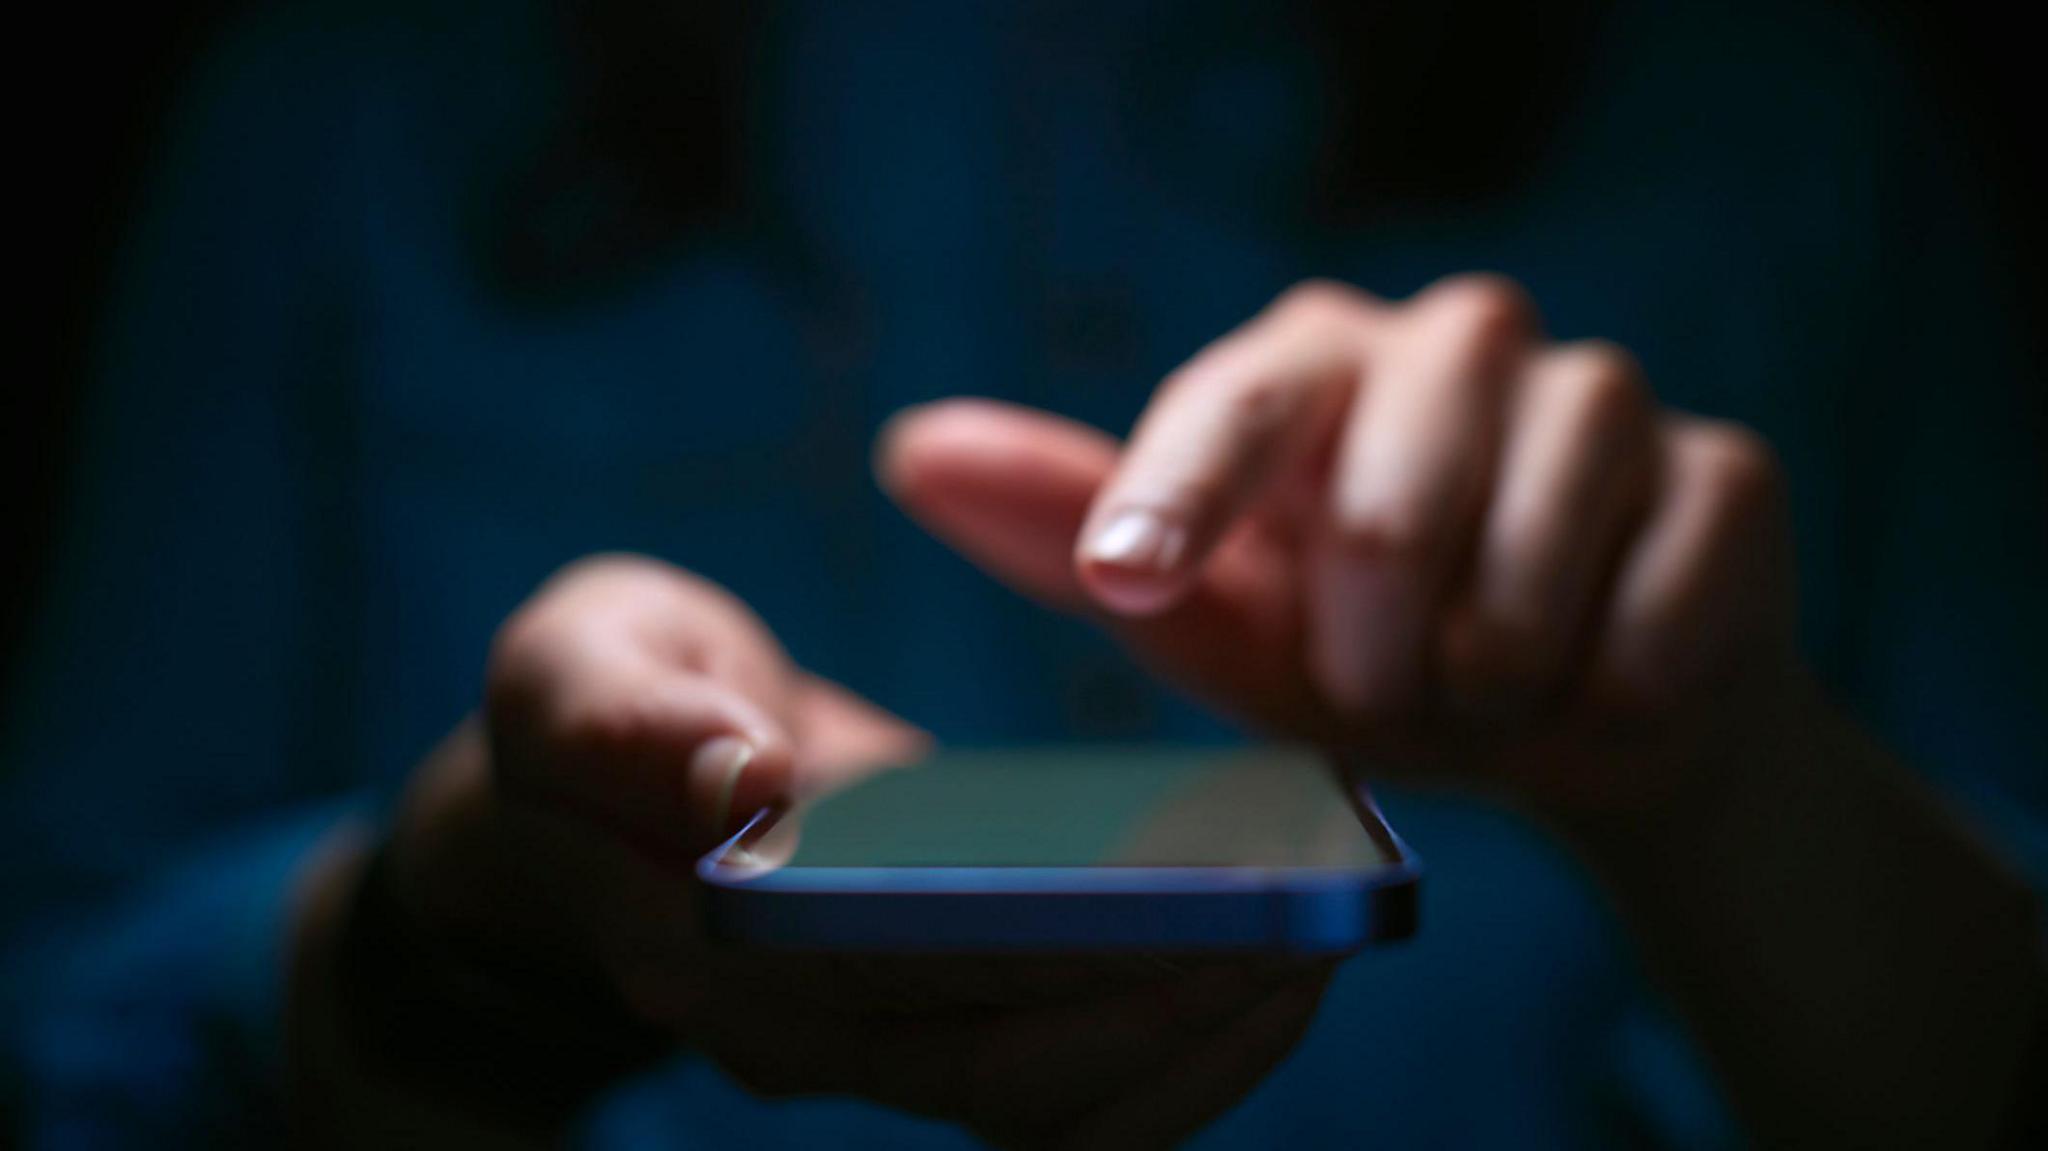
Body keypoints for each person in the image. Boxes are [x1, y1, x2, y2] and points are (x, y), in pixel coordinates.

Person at [4, 1, 2043, 1147]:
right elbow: (56, 1031)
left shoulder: (1779, 118)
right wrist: (452, 932)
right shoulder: (357, 104)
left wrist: (1701, 781)